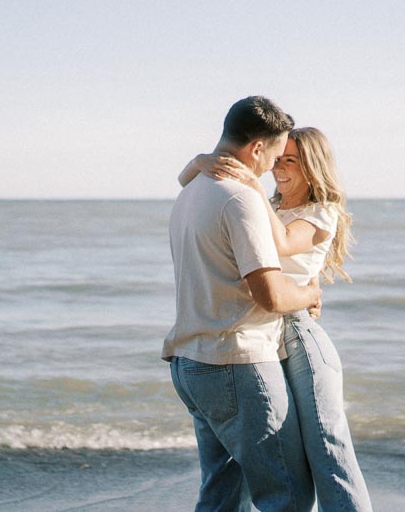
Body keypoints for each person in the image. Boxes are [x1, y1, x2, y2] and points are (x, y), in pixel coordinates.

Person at [180, 126, 372, 511]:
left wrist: (250, 182)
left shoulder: (320, 212)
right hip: (264, 339)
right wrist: (202, 161)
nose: (279, 169)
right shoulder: (269, 203)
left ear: (313, 168)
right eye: (277, 160)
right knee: (271, 459)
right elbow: (185, 181)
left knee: (328, 451)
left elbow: (284, 242)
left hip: (301, 338)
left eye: (292, 162)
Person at [163, 96, 321, 511]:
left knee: (222, 495)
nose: (271, 168)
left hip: (190, 364)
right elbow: (270, 296)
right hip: (237, 364)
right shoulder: (242, 199)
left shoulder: (191, 192)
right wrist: (310, 293)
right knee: (285, 494)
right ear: (256, 148)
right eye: (274, 154)